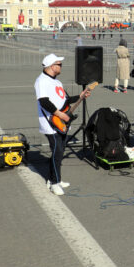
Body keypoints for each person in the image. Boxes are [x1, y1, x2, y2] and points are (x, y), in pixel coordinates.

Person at [35, 54, 92, 195]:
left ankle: (55, 179)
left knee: (59, 153)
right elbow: (44, 102)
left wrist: (80, 96)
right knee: (57, 152)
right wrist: (60, 115)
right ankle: (54, 183)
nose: (61, 66)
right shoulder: (41, 81)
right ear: (51, 66)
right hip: (51, 123)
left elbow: (65, 101)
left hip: (61, 122)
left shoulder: (57, 82)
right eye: (59, 64)